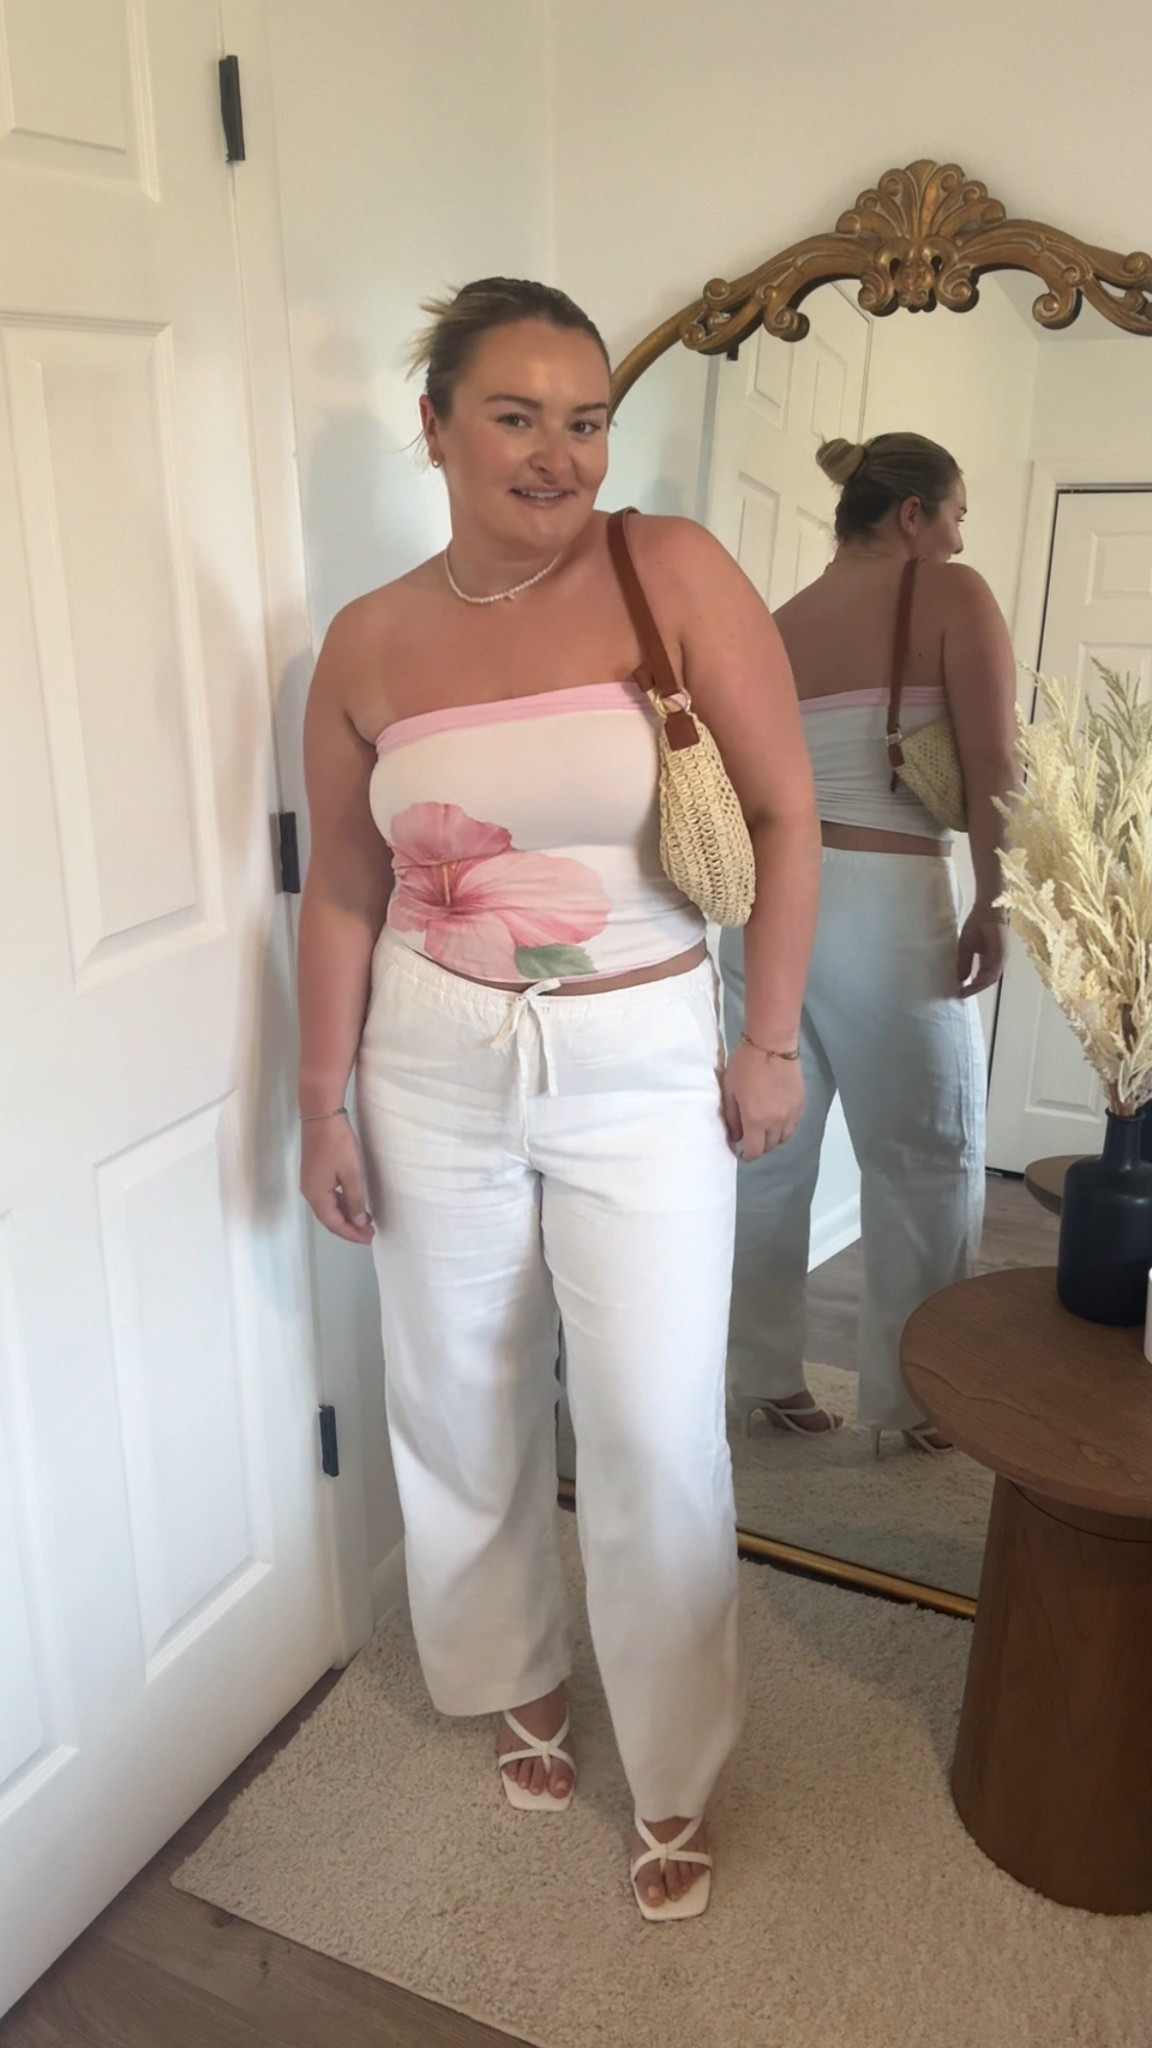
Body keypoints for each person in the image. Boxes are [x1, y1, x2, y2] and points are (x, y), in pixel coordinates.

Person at [296, 278, 820, 1919]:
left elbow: (786, 813)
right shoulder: (367, 639)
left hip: (641, 1056)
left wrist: (770, 1041)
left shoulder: (667, 568)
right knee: (458, 1394)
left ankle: (671, 1760)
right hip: (427, 1059)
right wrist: (321, 1101)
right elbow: (342, 884)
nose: (557, 453)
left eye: (584, 419)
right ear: (435, 426)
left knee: (654, 1426)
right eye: (515, 415)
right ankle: (512, 1673)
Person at [720, 433, 1018, 1454]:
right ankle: (912, 1401)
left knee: (764, 1153)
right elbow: (993, 760)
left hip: (766, 904)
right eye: (958, 513)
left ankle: (761, 1378)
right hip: (885, 898)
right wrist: (997, 899)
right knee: (926, 1153)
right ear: (913, 515)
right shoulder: (950, 593)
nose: (961, 536)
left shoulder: (776, 623)